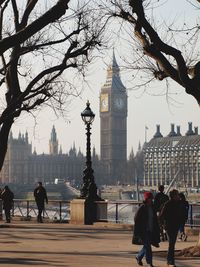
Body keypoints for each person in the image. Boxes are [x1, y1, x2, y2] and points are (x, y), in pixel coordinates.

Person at [159, 189, 185, 267]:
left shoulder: (179, 203)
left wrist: (182, 221)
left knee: (172, 244)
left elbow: (181, 213)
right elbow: (161, 216)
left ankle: (169, 261)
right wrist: (163, 225)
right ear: (173, 196)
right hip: (169, 227)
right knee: (171, 244)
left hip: (175, 226)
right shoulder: (167, 204)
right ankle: (170, 261)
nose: (178, 196)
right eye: (177, 195)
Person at [133, 191, 160, 267]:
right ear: (146, 199)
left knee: (146, 246)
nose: (152, 200)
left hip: (151, 230)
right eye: (150, 198)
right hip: (144, 231)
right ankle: (149, 263)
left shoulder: (152, 208)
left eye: (152, 198)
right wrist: (138, 230)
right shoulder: (142, 208)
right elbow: (136, 219)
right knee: (148, 247)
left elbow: (155, 219)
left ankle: (138, 256)